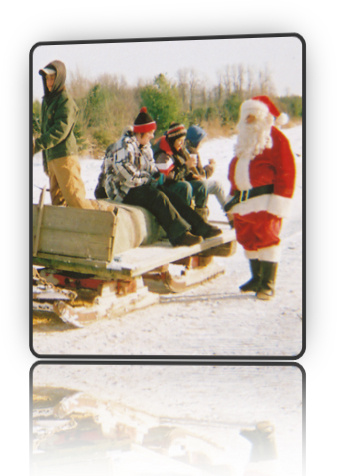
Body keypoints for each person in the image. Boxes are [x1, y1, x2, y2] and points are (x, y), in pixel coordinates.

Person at [102, 107, 222, 247]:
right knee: (157, 197)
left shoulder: (145, 146)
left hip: (140, 184)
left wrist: (157, 176)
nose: (153, 136)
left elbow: (152, 167)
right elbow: (128, 175)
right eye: (151, 133)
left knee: (171, 195)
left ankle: (200, 226)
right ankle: (179, 235)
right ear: (141, 133)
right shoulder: (124, 146)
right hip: (122, 190)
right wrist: (150, 178)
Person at [225, 96, 296, 300]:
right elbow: (235, 170)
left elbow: (287, 171)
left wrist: (280, 201)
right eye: (245, 117)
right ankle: (256, 277)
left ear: (263, 117)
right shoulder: (244, 141)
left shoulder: (275, 138)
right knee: (248, 239)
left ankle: (267, 283)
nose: (248, 121)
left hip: (266, 202)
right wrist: (232, 197)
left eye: (252, 116)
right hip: (243, 202)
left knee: (267, 239)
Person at [33, 60, 99, 210]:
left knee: (76, 201)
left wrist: (36, 145)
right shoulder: (47, 102)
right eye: (47, 78)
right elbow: (45, 131)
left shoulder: (65, 101)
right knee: (58, 204)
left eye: (52, 78)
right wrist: (46, 162)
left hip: (65, 157)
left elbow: (59, 131)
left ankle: (103, 221)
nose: (49, 82)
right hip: (52, 160)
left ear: (60, 78)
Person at [153, 123, 209, 219]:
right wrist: (186, 166)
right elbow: (170, 177)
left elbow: (181, 171)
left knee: (201, 185)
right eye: (179, 140)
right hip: (165, 187)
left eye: (183, 140)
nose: (182, 144)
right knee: (185, 187)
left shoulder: (179, 150)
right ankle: (186, 221)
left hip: (176, 181)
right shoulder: (163, 155)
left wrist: (192, 175)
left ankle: (200, 219)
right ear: (173, 139)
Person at [185, 125, 228, 216]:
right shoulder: (193, 153)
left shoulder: (186, 150)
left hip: (190, 184)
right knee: (217, 185)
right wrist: (211, 167)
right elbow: (201, 176)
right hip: (194, 186)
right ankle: (229, 213)